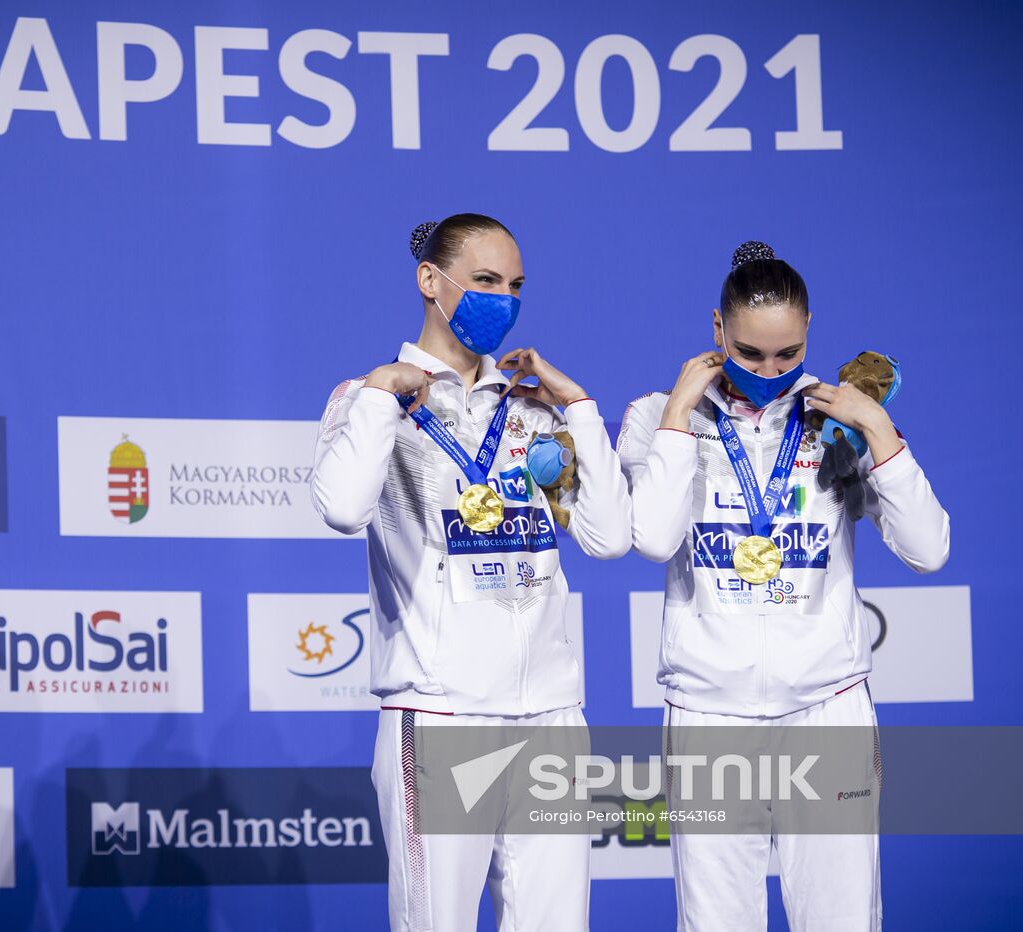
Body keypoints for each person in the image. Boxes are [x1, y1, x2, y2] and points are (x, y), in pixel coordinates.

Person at [617, 241, 950, 931]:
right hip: (709, 717)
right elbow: (650, 539)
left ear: (808, 338)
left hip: (825, 711)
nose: (769, 371)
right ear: (716, 329)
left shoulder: (840, 423)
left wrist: (879, 430)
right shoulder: (658, 417)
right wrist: (681, 411)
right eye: (748, 353)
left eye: (787, 355)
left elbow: (929, 549)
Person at [311, 213, 631, 930]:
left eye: (515, 285)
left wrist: (578, 408)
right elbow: (340, 508)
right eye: (485, 281)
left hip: (551, 715)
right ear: (431, 281)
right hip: (442, 713)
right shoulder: (367, 400)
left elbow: (609, 539)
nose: (504, 300)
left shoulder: (531, 409)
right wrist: (380, 395)